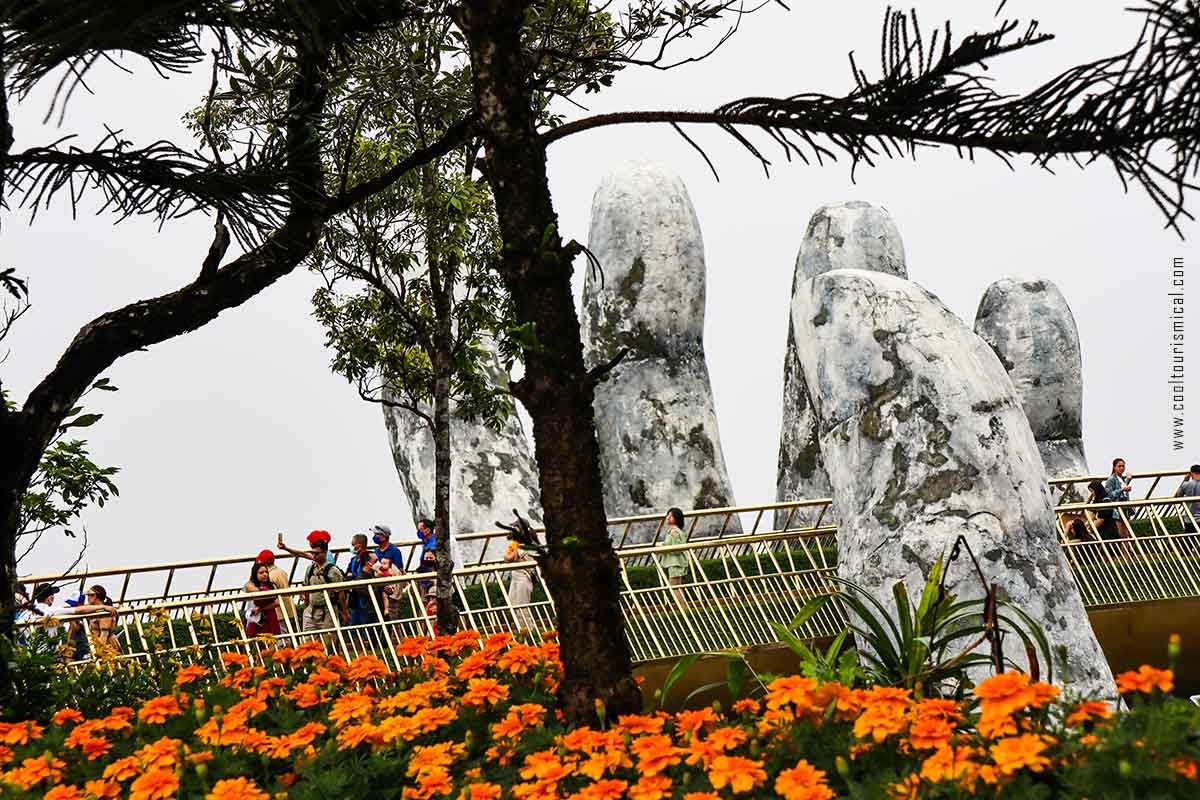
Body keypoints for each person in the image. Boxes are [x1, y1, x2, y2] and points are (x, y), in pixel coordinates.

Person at [279, 535, 348, 634]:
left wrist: (345, 613)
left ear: (324, 553)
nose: (314, 556)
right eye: (313, 553)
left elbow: (341, 593)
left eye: (317, 553)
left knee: (329, 640)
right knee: (308, 640)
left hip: (327, 610)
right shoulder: (310, 569)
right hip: (311, 610)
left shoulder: (333, 571)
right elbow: (306, 589)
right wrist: (305, 609)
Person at [504, 530, 537, 633]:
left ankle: (530, 632)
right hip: (516, 578)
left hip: (524, 578)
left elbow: (508, 558)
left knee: (522, 607)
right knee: (513, 604)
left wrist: (514, 546)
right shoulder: (519, 546)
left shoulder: (525, 546)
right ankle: (522, 631)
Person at [255, 549, 295, 628]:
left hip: (278, 612)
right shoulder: (281, 571)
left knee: (282, 637)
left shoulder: (269, 576)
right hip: (288, 608)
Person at [346, 534, 378, 626]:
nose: (352, 547)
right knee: (353, 628)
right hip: (354, 599)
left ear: (359, 546)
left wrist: (353, 576)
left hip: (366, 600)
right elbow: (347, 576)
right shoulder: (353, 560)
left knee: (367, 628)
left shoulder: (371, 558)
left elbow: (377, 573)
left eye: (353, 545)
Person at [244, 563, 282, 638]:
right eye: (261, 573)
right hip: (257, 617)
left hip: (270, 615)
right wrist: (264, 590)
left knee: (273, 639)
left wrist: (261, 608)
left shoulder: (272, 585)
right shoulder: (250, 585)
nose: (265, 574)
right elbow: (251, 589)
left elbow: (277, 603)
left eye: (266, 572)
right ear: (255, 574)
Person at [82, 585, 122, 654]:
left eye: (91, 595)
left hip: (108, 648)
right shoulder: (96, 610)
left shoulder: (105, 614)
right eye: (88, 595)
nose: (88, 598)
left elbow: (104, 635)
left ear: (97, 596)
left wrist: (98, 652)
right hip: (97, 645)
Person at [660, 507, 689, 602]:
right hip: (677, 563)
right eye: (668, 515)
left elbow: (677, 548)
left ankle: (683, 608)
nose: (668, 518)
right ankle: (684, 609)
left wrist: (663, 548)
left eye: (671, 516)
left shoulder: (674, 532)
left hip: (675, 563)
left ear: (677, 518)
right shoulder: (675, 531)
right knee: (678, 587)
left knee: (674, 588)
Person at [1104, 458, 1134, 533]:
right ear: (1114, 467)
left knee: (1126, 534)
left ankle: (1126, 545)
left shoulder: (1121, 478)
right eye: (1119, 466)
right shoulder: (1111, 479)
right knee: (1119, 533)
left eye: (1123, 466)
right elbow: (1109, 495)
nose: (1122, 468)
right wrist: (1122, 490)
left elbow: (1122, 486)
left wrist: (1128, 479)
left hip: (1125, 508)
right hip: (1116, 510)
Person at [376, 557, 405, 622]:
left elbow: (388, 574)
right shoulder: (382, 570)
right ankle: (386, 609)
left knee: (385, 596)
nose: (382, 565)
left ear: (389, 565)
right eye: (381, 563)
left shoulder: (390, 570)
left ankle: (386, 609)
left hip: (391, 589)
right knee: (384, 596)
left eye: (384, 563)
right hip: (386, 589)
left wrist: (381, 573)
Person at [1174, 464, 1200, 534]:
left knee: (1188, 543)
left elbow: (1177, 497)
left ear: (1191, 473)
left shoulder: (1186, 484)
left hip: (1190, 519)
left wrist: (1185, 480)